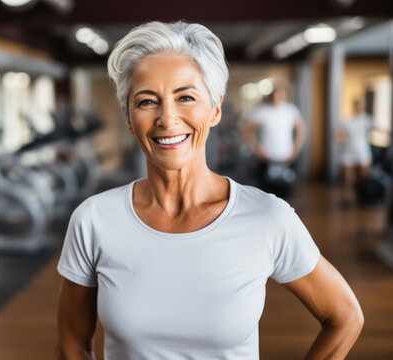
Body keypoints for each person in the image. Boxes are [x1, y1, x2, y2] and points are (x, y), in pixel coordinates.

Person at [56, 21, 363, 360]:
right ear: (129, 117)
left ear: (215, 109)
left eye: (186, 97)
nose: (167, 118)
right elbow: (72, 344)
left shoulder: (268, 218)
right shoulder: (94, 219)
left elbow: (345, 316)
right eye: (146, 102)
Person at [242, 84, 306, 195]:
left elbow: (301, 130)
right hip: (267, 157)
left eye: (278, 94)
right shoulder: (262, 111)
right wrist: (257, 151)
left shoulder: (290, 110)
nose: (276, 97)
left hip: (286, 156)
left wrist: (295, 150)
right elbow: (247, 131)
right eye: (274, 95)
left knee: (285, 191)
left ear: (283, 95)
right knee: (266, 191)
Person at [337, 97, 373, 205]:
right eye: (356, 104)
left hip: (362, 152)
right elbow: (339, 134)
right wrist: (342, 143)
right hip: (349, 152)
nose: (358, 106)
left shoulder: (367, 120)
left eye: (360, 104)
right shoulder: (348, 121)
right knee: (347, 178)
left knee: (363, 177)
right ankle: (347, 198)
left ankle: (363, 197)